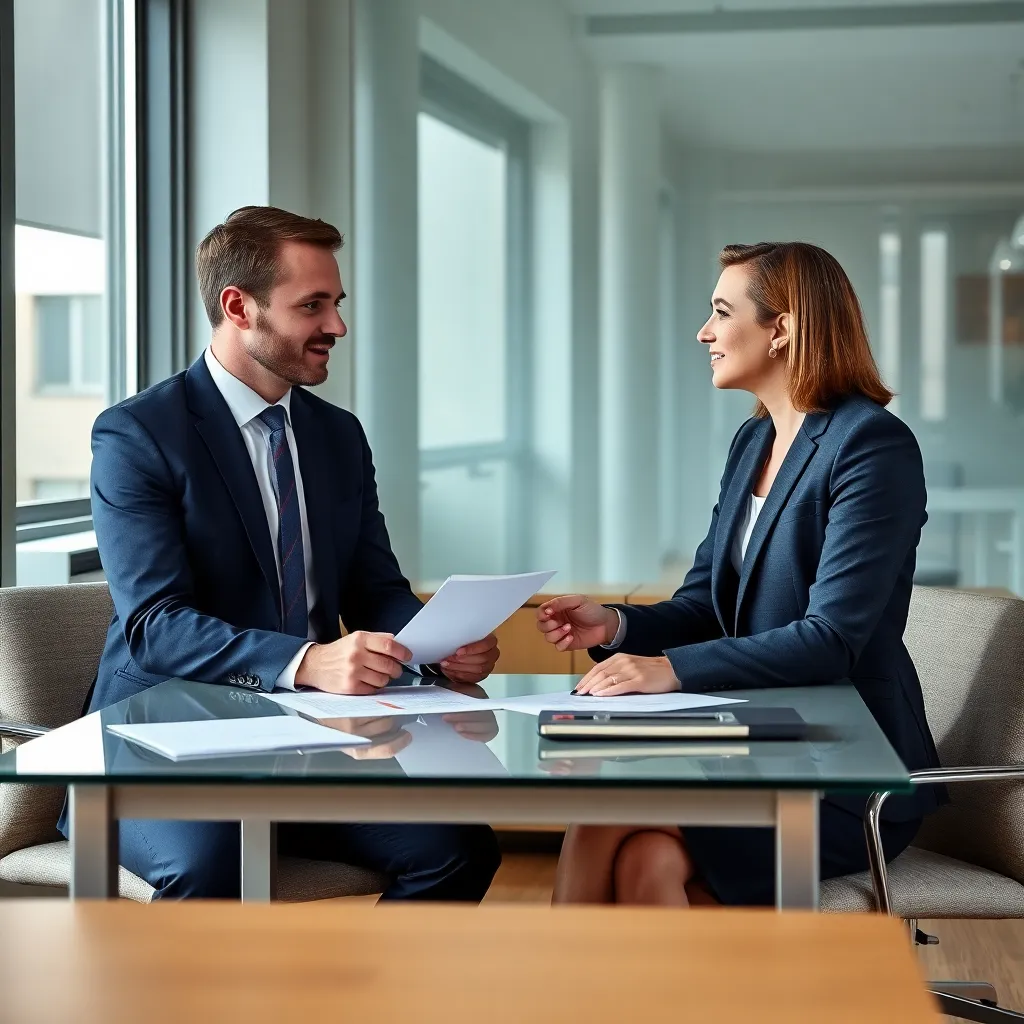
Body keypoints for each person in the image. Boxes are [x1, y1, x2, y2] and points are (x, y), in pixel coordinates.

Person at [59, 205, 502, 900]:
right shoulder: (139, 434)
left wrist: (434, 643)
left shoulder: (337, 436)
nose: (337, 327)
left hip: (308, 739)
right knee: (213, 869)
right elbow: (155, 624)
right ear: (239, 307)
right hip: (163, 738)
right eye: (313, 306)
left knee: (457, 849)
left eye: (337, 303)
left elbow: (373, 584)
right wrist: (306, 661)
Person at [537, 241, 944, 907]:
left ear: (780, 328)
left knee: (608, 814)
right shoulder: (753, 441)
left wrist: (669, 669)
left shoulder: (871, 445)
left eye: (722, 312)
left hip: (847, 768)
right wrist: (616, 624)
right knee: (648, 858)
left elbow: (830, 638)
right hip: (752, 750)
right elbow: (706, 602)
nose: (706, 332)